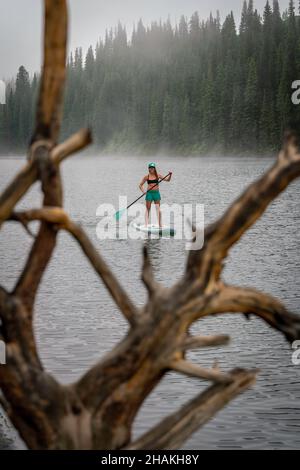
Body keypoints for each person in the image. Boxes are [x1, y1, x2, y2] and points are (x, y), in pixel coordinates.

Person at [139, 163, 172, 228]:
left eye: (152, 168)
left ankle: (160, 224)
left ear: (154, 168)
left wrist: (170, 175)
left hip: (156, 194)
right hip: (149, 194)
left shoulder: (158, 176)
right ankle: (146, 224)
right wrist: (143, 192)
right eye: (150, 168)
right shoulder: (146, 177)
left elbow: (168, 180)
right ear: (148, 169)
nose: (151, 169)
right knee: (148, 209)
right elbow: (140, 185)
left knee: (158, 209)